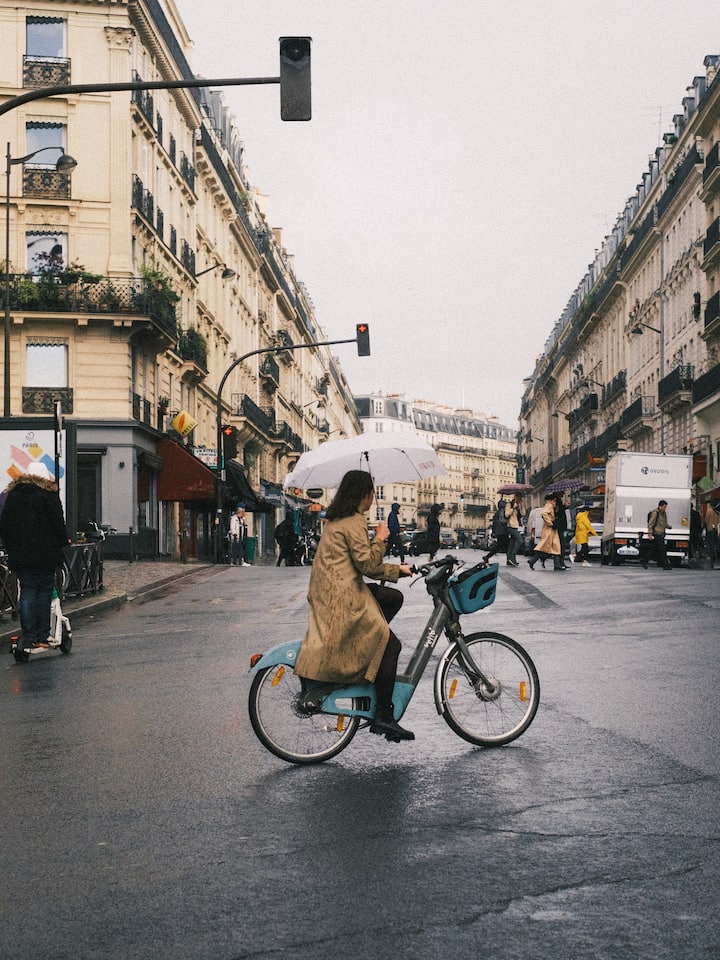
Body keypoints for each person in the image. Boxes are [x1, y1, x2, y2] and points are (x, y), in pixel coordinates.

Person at [294, 470, 414, 743]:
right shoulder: (354, 522)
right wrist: (381, 538)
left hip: (334, 591)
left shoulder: (338, 520)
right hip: (342, 599)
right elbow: (368, 566)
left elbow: (359, 564)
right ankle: (384, 715)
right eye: (372, 492)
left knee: (393, 598)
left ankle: (365, 652)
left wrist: (397, 570)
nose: (374, 497)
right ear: (364, 494)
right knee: (390, 645)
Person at [0, 462, 69, 650]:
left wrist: (12, 546)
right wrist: (65, 540)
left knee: (28, 592)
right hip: (45, 554)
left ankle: (28, 636)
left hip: (21, 555)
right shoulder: (48, 495)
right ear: (44, 477)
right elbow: (58, 524)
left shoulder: (13, 497)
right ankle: (41, 635)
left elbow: (5, 525)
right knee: (44, 591)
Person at [527, 493, 564, 571]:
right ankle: (533, 561)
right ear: (554, 499)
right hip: (549, 530)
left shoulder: (549, 505)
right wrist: (550, 522)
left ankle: (556, 565)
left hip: (551, 529)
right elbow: (544, 513)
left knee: (554, 546)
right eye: (555, 500)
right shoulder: (549, 505)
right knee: (546, 547)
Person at [644, 499, 672, 570]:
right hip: (657, 534)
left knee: (654, 550)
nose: (665, 508)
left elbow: (663, 523)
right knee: (662, 550)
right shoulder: (655, 513)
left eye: (665, 507)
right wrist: (650, 534)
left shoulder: (663, 513)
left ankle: (644, 560)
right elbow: (651, 524)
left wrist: (668, 526)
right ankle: (666, 565)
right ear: (660, 506)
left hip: (661, 534)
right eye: (664, 507)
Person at [504, 496, 523, 566]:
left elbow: (523, 514)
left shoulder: (518, 505)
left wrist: (521, 505)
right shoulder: (509, 504)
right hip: (510, 526)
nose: (520, 499)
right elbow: (506, 514)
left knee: (512, 543)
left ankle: (509, 559)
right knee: (520, 540)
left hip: (515, 526)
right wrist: (513, 508)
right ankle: (512, 557)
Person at [704, 500, 719, 569]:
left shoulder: (709, 511)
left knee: (711, 546)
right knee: (715, 544)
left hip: (710, 530)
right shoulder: (718, 512)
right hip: (716, 530)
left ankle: (712, 560)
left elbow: (706, 520)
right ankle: (715, 556)